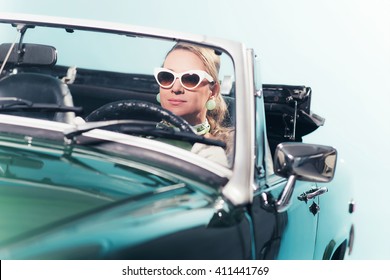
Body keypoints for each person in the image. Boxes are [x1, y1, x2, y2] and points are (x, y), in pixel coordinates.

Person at [154, 42, 234, 167]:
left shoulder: (229, 149)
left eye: (190, 79)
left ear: (213, 91)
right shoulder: (133, 133)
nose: (176, 88)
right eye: (167, 77)